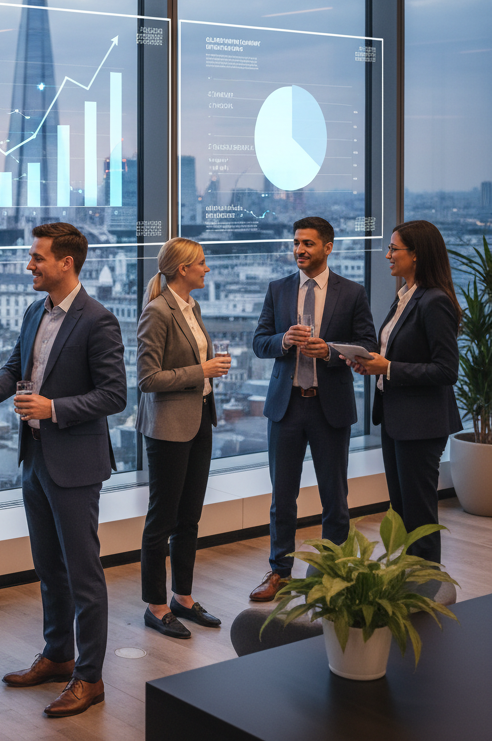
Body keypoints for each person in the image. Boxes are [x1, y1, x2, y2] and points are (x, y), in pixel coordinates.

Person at [0, 223, 127, 718]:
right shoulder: (35, 311)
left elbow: (115, 395)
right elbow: (14, 371)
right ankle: (58, 655)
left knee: (83, 576)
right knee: (49, 568)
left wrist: (53, 409)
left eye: (37, 258)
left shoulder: (99, 320)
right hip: (35, 459)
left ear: (66, 263)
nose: (29, 265)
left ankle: (90, 678)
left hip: (75, 463)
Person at [249, 216, 378, 602]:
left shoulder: (352, 292)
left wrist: (332, 352)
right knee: (281, 499)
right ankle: (279, 573)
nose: (299, 250)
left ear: (328, 247)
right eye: (296, 243)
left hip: (329, 407)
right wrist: (283, 340)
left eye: (307, 244)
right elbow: (258, 342)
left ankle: (331, 575)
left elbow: (367, 345)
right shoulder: (278, 289)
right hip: (286, 408)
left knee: (334, 498)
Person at [345, 221, 462, 564]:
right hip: (397, 419)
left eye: (394, 249)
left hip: (421, 425)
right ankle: (407, 586)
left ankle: (427, 588)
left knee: (420, 516)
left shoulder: (434, 301)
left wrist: (389, 368)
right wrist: (370, 364)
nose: (387, 256)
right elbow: (398, 354)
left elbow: (446, 371)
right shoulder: (406, 297)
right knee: (402, 511)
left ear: (417, 254)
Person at [136, 237, 228, 639]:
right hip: (169, 428)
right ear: (182, 269)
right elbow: (146, 379)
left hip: (199, 421)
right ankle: (156, 605)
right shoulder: (158, 312)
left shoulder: (193, 308)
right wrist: (202, 372)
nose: (207, 269)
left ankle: (183, 598)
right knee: (162, 520)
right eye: (202, 263)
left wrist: (205, 374)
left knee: (189, 517)